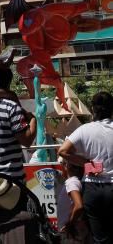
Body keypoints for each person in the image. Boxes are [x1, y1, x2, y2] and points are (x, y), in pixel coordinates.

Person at [58, 92, 113, 244]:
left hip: (92, 189)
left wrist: (87, 163)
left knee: (99, 238)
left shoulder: (84, 130)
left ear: (93, 109)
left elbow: (62, 151)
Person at [56, 160, 92, 243]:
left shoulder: (72, 182)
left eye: (62, 164)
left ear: (67, 167)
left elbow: (79, 206)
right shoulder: (77, 180)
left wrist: (70, 225)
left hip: (72, 231)